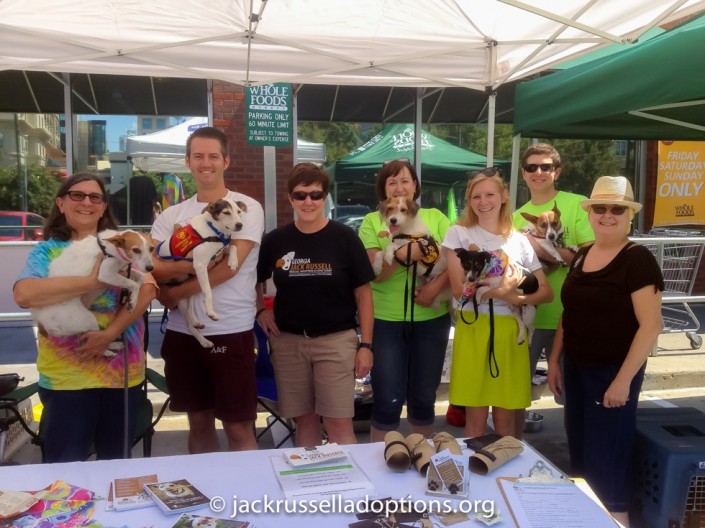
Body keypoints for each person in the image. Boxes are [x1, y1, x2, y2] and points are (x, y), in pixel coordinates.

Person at [13, 173, 157, 462]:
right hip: (68, 379)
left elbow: (148, 290)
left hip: (121, 376)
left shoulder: (123, 244)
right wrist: (94, 282)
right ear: (61, 203)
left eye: (95, 197)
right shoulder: (47, 251)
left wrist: (107, 334)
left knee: (116, 468)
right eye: (77, 195)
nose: (87, 202)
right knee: (64, 470)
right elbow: (25, 294)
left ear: (103, 207)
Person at [548, 176, 663, 526]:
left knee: (608, 465)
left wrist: (623, 381)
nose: (608, 215)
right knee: (581, 459)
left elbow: (651, 326)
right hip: (577, 369)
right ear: (591, 213)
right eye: (600, 208)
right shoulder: (582, 255)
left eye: (617, 209)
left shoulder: (638, 259)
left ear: (629, 215)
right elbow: (570, 314)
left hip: (613, 372)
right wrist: (554, 361)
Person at [151, 126, 264, 453]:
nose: (206, 162)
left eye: (213, 156)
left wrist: (175, 292)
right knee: (198, 423)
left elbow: (230, 267)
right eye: (198, 156)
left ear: (226, 161)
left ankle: (247, 501)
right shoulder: (173, 214)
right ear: (187, 161)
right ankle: (207, 500)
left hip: (231, 329)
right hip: (181, 332)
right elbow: (154, 266)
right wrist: (186, 272)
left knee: (239, 426)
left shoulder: (246, 207)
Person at [256, 163, 374, 447]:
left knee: (337, 422)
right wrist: (261, 309)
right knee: (304, 420)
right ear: (290, 198)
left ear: (325, 198)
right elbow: (255, 280)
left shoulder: (345, 238)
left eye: (315, 194)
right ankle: (309, 488)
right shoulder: (275, 240)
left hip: (336, 341)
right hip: (289, 343)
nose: (308, 201)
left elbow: (365, 295)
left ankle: (349, 491)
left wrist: (366, 346)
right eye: (300, 195)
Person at [443, 168, 553, 439]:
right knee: (475, 425)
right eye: (476, 196)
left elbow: (546, 292)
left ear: (504, 196)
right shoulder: (458, 233)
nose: (483, 202)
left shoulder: (519, 240)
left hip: (509, 333)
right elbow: (459, 291)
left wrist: (511, 296)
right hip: (473, 329)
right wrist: (499, 290)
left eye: (490, 194)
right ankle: (475, 476)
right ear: (469, 200)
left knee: (506, 425)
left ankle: (506, 479)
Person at [358, 159, 452, 442]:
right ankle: (379, 463)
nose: (400, 187)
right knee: (387, 398)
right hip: (386, 321)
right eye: (392, 182)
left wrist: (433, 289)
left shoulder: (435, 217)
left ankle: (421, 456)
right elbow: (375, 275)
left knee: (424, 396)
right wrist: (401, 255)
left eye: (405, 181)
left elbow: (453, 262)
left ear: (415, 185)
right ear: (383, 189)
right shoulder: (372, 222)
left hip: (432, 319)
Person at [513, 143, 594, 396]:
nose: (538, 172)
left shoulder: (578, 204)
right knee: (516, 396)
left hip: (570, 316)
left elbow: (590, 259)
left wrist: (539, 247)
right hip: (527, 313)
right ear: (523, 173)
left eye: (546, 167)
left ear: (557, 171)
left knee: (573, 398)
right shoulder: (515, 217)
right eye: (531, 167)